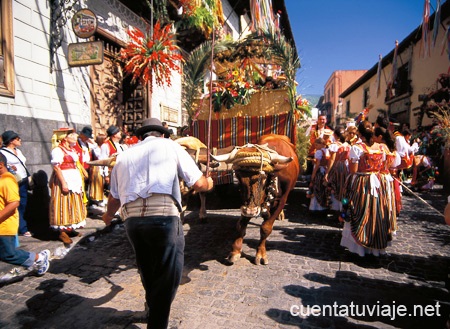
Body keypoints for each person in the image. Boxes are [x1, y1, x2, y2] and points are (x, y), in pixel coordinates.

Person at [101, 117, 214, 329]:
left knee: (147, 267)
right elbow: (198, 183)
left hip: (132, 223)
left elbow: (114, 199)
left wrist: (107, 216)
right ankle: (157, 323)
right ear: (162, 134)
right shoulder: (172, 147)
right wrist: (208, 183)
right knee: (168, 274)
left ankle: (152, 307)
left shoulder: (123, 156)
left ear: (141, 136)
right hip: (164, 218)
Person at [340, 121, 394, 257]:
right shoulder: (382, 147)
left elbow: (353, 170)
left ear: (359, 133)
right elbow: (387, 166)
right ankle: (376, 248)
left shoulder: (357, 147)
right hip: (378, 183)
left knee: (360, 210)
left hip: (363, 182)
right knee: (376, 212)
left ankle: (359, 248)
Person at [0, 152, 50, 275]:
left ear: (0, 165)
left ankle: (39, 258)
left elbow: (14, 203)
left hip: (4, 226)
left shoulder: (7, 180)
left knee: (9, 254)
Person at [49, 128, 87, 244]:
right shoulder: (58, 150)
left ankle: (70, 228)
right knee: (63, 205)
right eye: (72, 134)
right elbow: (56, 167)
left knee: (73, 204)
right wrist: (63, 183)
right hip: (63, 179)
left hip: (73, 179)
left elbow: (76, 164)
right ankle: (62, 232)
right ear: (65, 137)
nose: (76, 136)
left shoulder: (71, 149)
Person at [1, 130, 32, 237]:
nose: (20, 140)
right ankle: (21, 228)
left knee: (23, 204)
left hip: (22, 180)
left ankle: (21, 226)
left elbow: (23, 164)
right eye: (18, 139)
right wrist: (10, 168)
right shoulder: (3, 152)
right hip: (12, 181)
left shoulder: (18, 151)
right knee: (14, 204)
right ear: (11, 141)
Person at [100, 125, 124, 194]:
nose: (120, 133)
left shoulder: (119, 145)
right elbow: (103, 161)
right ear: (114, 134)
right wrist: (106, 175)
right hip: (111, 172)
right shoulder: (105, 146)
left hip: (120, 171)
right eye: (118, 132)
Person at [308, 137, 330, 213]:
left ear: (321, 144)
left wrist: (313, 174)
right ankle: (322, 207)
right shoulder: (327, 151)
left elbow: (317, 164)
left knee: (316, 187)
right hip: (325, 170)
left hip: (319, 171)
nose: (315, 147)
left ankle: (314, 207)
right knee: (322, 189)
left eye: (316, 145)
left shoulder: (319, 152)